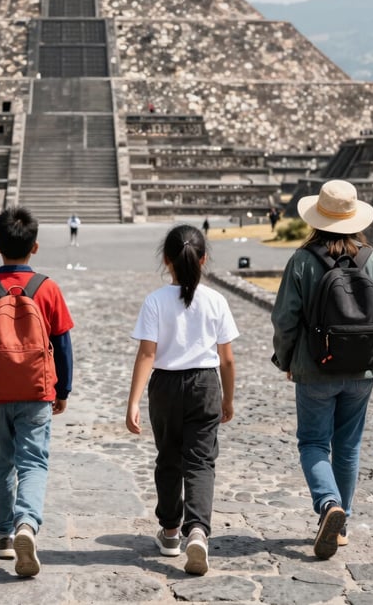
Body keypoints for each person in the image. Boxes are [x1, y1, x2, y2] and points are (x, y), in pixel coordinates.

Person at [271, 179, 373, 560]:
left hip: (314, 370)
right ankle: (340, 526)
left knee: (313, 443)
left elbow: (284, 320)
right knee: (348, 447)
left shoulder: (301, 260)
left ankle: (329, 504)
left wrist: (287, 359)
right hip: (361, 370)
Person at [0, 206, 74, 577]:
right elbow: (63, 345)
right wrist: (63, 389)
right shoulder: (48, 289)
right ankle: (27, 524)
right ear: (34, 247)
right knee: (34, 463)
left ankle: (4, 535)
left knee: (1, 464)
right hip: (37, 391)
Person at [126, 224, 238, 576]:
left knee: (169, 457)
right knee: (201, 462)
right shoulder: (216, 301)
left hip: (165, 388)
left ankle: (171, 530)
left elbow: (147, 354)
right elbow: (228, 359)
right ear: (203, 259)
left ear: (166, 260)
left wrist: (132, 402)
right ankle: (199, 532)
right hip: (206, 384)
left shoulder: (155, 301)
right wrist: (229, 399)